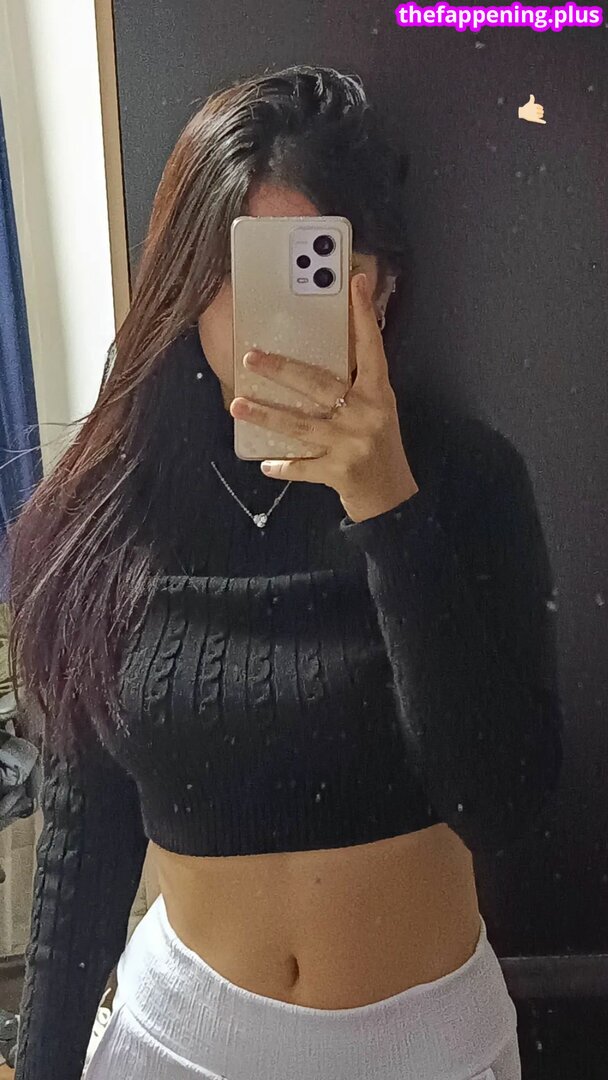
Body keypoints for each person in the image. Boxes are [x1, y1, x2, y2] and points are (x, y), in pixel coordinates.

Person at [8, 65, 562, 1080]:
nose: (258, 316)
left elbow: (502, 801)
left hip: (425, 1052)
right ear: (183, 287)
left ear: (378, 285)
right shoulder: (116, 511)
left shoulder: (468, 482)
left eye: (305, 268)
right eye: (230, 270)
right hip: (178, 1044)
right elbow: (81, 845)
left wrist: (389, 512)